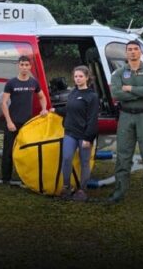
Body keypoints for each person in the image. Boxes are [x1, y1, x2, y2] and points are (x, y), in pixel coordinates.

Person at [107, 40, 143, 213]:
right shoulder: (118, 73)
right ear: (126, 53)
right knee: (123, 156)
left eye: (135, 49)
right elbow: (116, 93)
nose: (132, 52)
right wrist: (137, 91)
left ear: (140, 52)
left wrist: (130, 89)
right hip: (126, 116)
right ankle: (118, 193)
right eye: (129, 50)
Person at [52, 65, 99, 202]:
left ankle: (82, 190)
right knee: (66, 158)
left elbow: (92, 119)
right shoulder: (73, 93)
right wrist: (55, 110)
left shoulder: (92, 96)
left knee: (84, 162)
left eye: (80, 76)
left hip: (84, 135)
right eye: (75, 76)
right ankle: (66, 187)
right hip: (70, 133)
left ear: (87, 78)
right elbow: (68, 110)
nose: (77, 79)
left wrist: (88, 138)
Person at [0, 55, 48, 184]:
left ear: (30, 67)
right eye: (22, 65)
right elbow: (3, 103)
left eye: (27, 65)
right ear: (18, 66)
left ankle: (25, 179)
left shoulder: (34, 82)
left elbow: (42, 97)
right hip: (12, 123)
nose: (24, 67)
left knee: (27, 151)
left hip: (27, 124)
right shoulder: (11, 83)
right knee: (8, 152)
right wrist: (9, 122)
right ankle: (6, 179)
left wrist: (44, 109)